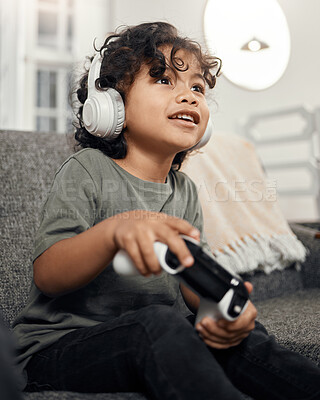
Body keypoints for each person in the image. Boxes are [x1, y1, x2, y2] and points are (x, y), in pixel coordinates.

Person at [12, 22, 320, 400]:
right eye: (164, 80)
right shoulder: (87, 170)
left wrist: (222, 306)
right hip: (59, 349)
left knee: (242, 334)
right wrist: (115, 231)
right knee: (155, 324)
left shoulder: (185, 191)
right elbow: (48, 275)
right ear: (110, 105)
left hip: (153, 333)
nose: (189, 96)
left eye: (196, 88)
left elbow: (191, 282)